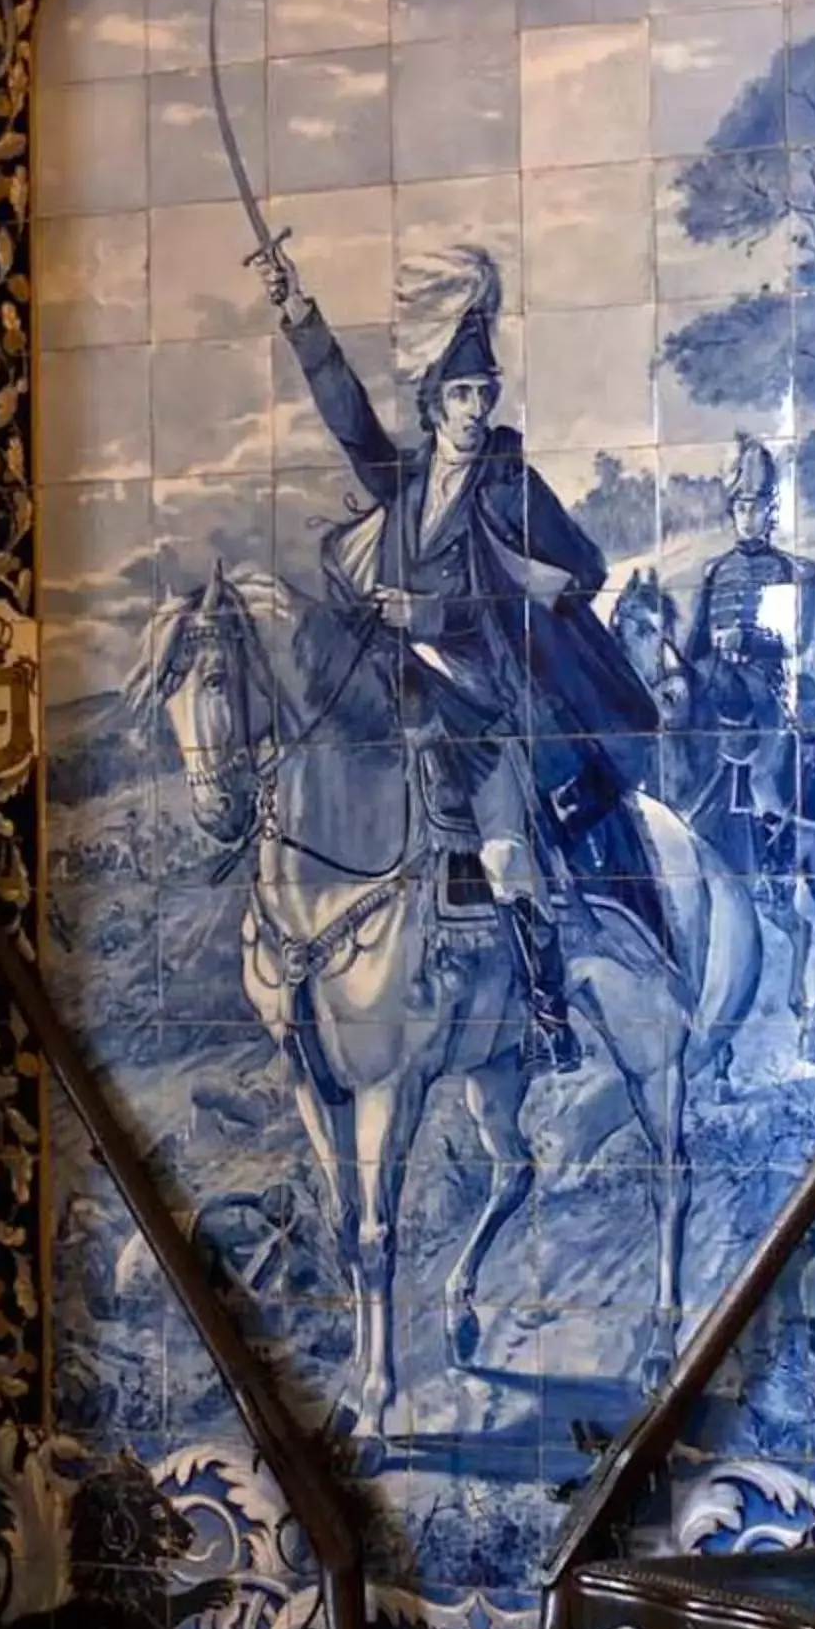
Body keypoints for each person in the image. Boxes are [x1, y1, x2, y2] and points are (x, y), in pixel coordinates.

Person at [254, 239, 659, 1071]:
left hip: (493, 699)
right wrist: (299, 313)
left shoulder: (510, 482)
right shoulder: (404, 482)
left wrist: (431, 608)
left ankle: (547, 1013)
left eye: (484, 392)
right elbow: (347, 417)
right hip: (413, 694)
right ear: (434, 405)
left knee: (507, 854)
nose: (476, 408)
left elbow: (581, 573)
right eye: (462, 394)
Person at [683, 433, 815, 868]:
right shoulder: (715, 570)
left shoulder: (787, 570)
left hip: (765, 683)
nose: (748, 516)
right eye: (741, 507)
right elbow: (696, 641)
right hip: (716, 680)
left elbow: (795, 641)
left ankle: (771, 837)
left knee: (764, 764)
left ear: (771, 511)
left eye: (757, 506)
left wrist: (749, 642)